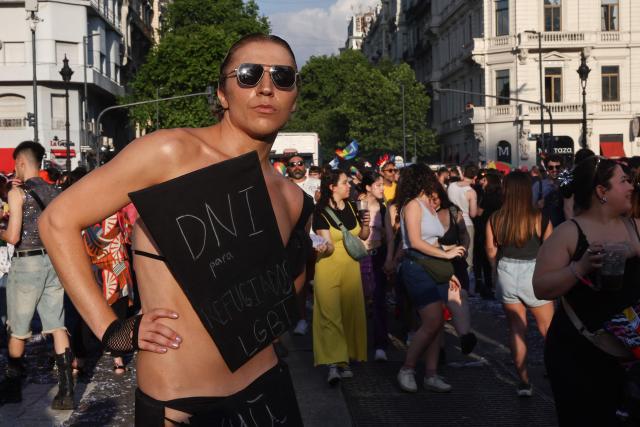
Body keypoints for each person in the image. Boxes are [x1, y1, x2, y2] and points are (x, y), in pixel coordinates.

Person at [39, 34, 311, 425]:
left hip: (268, 393)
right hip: (180, 404)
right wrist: (112, 329)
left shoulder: (292, 197)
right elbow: (57, 221)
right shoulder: (171, 153)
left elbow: (284, 300)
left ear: (294, 98)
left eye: (283, 77)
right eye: (249, 75)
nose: (266, 87)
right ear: (221, 94)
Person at [533, 156, 640, 426]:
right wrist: (578, 268)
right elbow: (541, 287)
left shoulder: (636, 228)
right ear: (602, 192)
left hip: (629, 357)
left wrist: (635, 250)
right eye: (624, 181)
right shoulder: (569, 233)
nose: (631, 187)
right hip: (579, 355)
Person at [0, 141, 73, 409]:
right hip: (53, 262)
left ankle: (12, 388)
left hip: (27, 264)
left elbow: (14, 236)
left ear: (21, 162)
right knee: (56, 325)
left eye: (15, 164)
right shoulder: (56, 191)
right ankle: (66, 391)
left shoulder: (17, 194)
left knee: (18, 329)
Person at [395, 164, 465, 393]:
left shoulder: (429, 205)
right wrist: (446, 254)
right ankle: (407, 368)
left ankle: (431, 374)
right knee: (432, 320)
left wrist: (448, 269)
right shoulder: (413, 205)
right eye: (431, 176)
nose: (435, 179)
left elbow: (433, 241)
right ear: (422, 179)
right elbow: (414, 241)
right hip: (416, 265)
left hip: (433, 266)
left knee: (437, 324)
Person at [485, 171, 554, 397]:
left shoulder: (495, 218)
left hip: (507, 271)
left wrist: (496, 272)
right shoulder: (539, 218)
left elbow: (491, 250)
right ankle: (558, 374)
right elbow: (551, 251)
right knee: (548, 330)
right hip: (533, 272)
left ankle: (524, 382)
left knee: (516, 330)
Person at [312, 169, 369, 384]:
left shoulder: (354, 207)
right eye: (345, 183)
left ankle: (344, 360)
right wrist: (321, 247)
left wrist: (365, 223)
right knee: (330, 316)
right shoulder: (321, 212)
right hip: (328, 268)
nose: (350, 186)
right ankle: (333, 364)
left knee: (349, 314)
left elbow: (362, 236)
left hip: (351, 269)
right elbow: (328, 247)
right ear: (332, 187)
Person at [429, 185, 477, 355]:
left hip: (455, 261)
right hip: (433, 262)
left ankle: (465, 336)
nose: (433, 202)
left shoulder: (452, 210)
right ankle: (438, 348)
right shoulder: (421, 213)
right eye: (429, 198)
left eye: (436, 198)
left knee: (460, 295)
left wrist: (463, 249)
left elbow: (464, 234)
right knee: (437, 305)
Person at [357, 171, 389, 362]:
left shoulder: (383, 207)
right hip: (360, 256)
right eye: (378, 185)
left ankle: (380, 344)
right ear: (368, 187)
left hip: (378, 254)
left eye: (382, 185)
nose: (382, 188)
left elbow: (389, 236)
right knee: (359, 301)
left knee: (379, 301)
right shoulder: (359, 204)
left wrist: (390, 256)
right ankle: (358, 345)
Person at [286, 154, 319, 336]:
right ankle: (302, 319)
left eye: (300, 163)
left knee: (317, 282)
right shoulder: (283, 185)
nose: (297, 167)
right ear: (287, 168)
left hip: (319, 239)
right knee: (299, 281)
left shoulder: (317, 183)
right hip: (295, 241)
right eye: (292, 164)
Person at [447, 164, 478, 291]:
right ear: (475, 177)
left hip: (450, 223)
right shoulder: (471, 192)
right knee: (467, 255)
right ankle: (467, 286)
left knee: (452, 252)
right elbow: (473, 213)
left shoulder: (452, 186)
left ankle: (453, 281)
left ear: (463, 172)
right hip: (466, 223)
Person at [532, 155, 565, 227]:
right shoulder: (538, 185)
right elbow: (530, 208)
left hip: (563, 227)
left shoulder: (566, 185)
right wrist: (538, 205)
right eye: (551, 167)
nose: (554, 170)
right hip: (544, 227)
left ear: (561, 168)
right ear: (547, 169)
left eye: (557, 167)